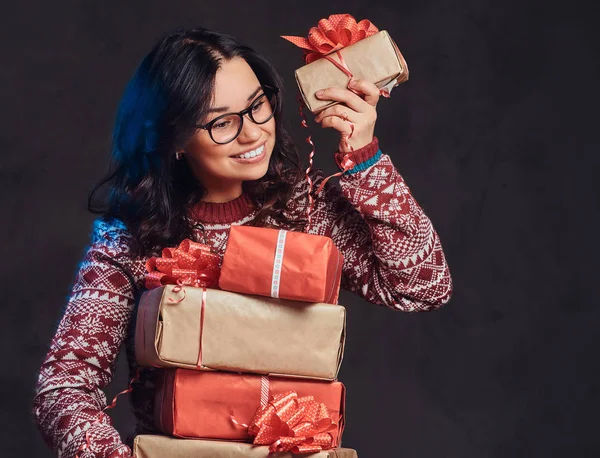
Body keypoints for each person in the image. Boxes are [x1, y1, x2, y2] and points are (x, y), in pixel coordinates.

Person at [33, 28, 453, 458]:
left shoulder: (305, 210)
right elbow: (65, 387)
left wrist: (364, 156)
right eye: (222, 122)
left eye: (257, 106)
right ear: (174, 139)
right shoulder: (129, 241)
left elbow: (422, 287)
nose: (253, 134)